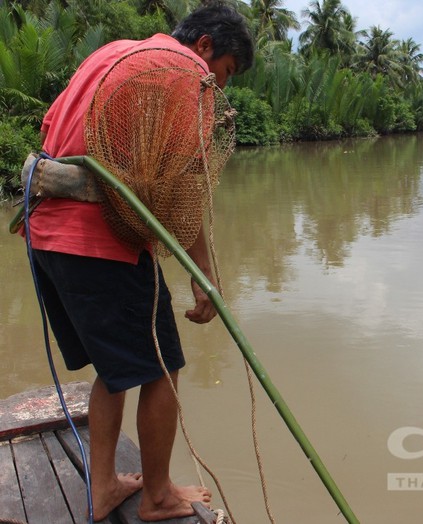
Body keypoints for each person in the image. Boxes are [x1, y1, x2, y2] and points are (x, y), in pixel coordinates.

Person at [23, 5, 253, 522]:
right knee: (162, 369)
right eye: (228, 72)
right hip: (98, 242)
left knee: (117, 366)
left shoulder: (114, 53)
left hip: (44, 231)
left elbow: (53, 128)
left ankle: (103, 484)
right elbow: (184, 188)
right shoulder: (185, 73)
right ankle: (157, 496)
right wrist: (205, 279)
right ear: (207, 48)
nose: (220, 85)